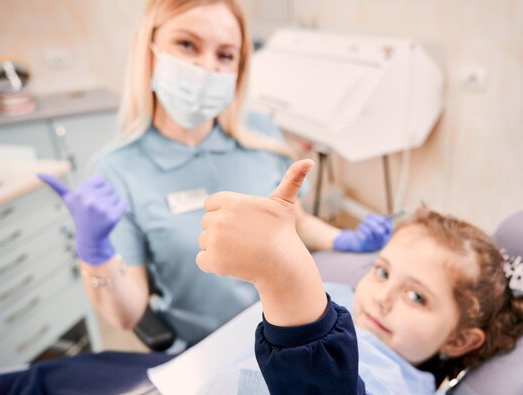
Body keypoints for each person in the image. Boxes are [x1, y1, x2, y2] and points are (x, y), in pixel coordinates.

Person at [38, 0, 393, 347]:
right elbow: (128, 316)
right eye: (187, 44)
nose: (206, 67)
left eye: (225, 55)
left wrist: (342, 239)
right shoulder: (119, 169)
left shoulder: (259, 132)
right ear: (149, 51)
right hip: (208, 351)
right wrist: (95, 254)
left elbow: (294, 221)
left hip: (292, 333)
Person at [195, 159, 523, 395]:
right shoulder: (357, 312)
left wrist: (283, 275)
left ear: (458, 340)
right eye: (381, 272)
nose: (382, 299)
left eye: (417, 297)